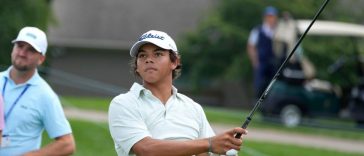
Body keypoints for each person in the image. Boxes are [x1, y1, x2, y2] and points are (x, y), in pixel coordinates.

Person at [108, 30, 248, 156]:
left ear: (174, 62)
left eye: (158, 54)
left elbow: (206, 151)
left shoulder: (193, 108)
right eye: (142, 55)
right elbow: (146, 149)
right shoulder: (123, 104)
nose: (148, 59)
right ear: (137, 67)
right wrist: (210, 144)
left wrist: (225, 148)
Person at [0, 27, 75, 155]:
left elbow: (67, 144)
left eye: (30, 50)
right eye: (20, 46)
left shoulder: (45, 95)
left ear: (41, 59)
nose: (22, 53)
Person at [247, 6, 279, 97]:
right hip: (261, 61)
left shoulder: (278, 30)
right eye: (269, 16)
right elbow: (251, 46)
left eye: (272, 16)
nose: (270, 19)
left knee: (272, 85)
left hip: (274, 63)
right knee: (259, 85)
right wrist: (255, 61)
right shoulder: (257, 30)